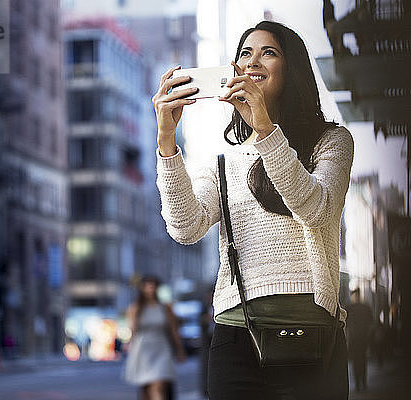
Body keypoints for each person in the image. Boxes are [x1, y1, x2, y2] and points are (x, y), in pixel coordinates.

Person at [152, 20, 353, 399]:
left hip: (311, 334)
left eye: (268, 53)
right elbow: (185, 227)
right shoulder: (225, 162)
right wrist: (166, 141)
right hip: (236, 337)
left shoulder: (332, 142)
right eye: (245, 54)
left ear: (291, 68)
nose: (253, 61)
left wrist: (264, 126)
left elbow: (315, 209)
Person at [124, 275, 186, 400]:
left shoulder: (165, 307)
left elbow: (174, 330)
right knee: (146, 387)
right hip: (142, 349)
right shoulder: (135, 308)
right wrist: (128, 343)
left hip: (161, 347)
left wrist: (180, 349)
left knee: (159, 384)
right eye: (147, 286)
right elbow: (132, 329)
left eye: (153, 285)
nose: (150, 289)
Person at [345, 288, 374, 391]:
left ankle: (359, 383)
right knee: (362, 360)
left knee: (356, 361)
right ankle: (362, 382)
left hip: (355, 339)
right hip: (362, 338)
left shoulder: (350, 308)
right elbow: (371, 324)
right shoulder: (365, 307)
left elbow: (346, 326)